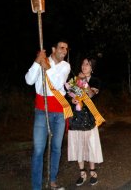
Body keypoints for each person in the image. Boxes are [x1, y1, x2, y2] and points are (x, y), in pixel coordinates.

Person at [25, 40, 71, 190]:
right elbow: (29, 80)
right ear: (53, 49)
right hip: (41, 110)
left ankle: (52, 181)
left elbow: (57, 84)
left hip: (58, 112)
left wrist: (46, 67)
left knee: (56, 148)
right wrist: (37, 62)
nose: (64, 50)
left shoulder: (66, 66)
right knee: (39, 149)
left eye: (66, 48)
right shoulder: (42, 61)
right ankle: (36, 187)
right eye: (61, 47)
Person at [67, 57, 105, 186]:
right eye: (83, 63)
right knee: (78, 144)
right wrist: (72, 100)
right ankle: (82, 173)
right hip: (76, 116)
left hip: (89, 117)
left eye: (88, 64)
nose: (84, 66)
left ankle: (93, 172)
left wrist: (83, 82)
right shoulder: (73, 80)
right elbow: (70, 97)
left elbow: (91, 95)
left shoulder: (95, 80)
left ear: (92, 68)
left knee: (90, 145)